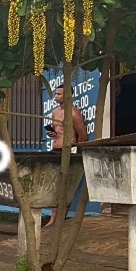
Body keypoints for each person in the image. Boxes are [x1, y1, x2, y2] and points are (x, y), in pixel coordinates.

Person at [45, 85, 89, 228]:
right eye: (55, 93)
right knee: (55, 185)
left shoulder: (74, 113)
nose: (56, 96)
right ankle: (53, 218)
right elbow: (56, 131)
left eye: (59, 94)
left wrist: (74, 150)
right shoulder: (55, 112)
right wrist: (51, 133)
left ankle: (60, 217)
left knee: (64, 185)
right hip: (55, 149)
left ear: (68, 95)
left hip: (68, 150)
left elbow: (82, 135)